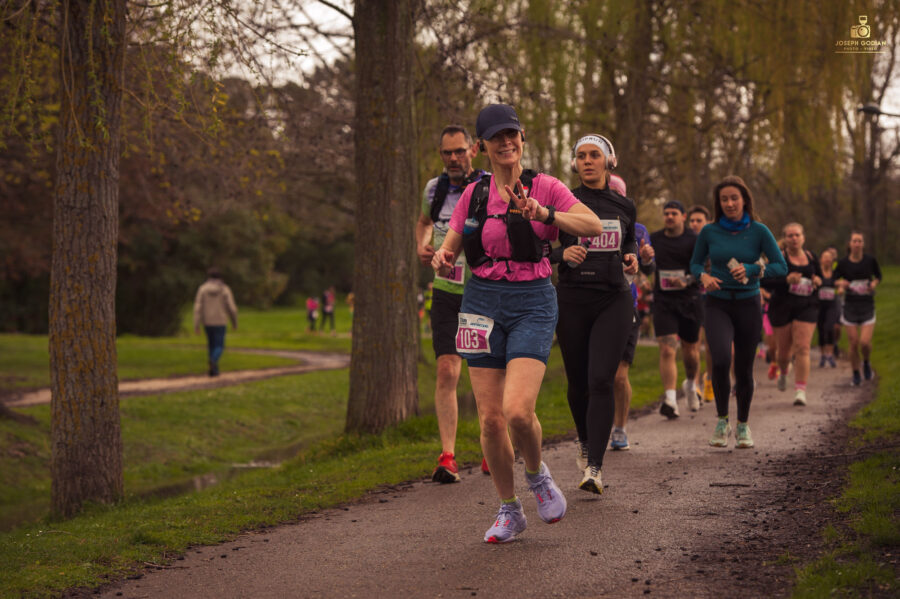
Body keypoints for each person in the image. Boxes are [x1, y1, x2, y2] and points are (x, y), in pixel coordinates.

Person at [432, 104, 603, 543]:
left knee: (517, 412)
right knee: (490, 421)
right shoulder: (473, 193)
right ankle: (509, 509)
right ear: (482, 146)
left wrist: (545, 215)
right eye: (496, 137)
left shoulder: (545, 186)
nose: (506, 143)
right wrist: (443, 255)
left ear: (522, 139)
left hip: (532, 301)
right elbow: (452, 244)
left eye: (512, 134)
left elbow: (591, 224)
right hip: (480, 303)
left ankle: (538, 475)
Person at [550, 133, 641, 489]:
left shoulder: (625, 205)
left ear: (609, 161)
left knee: (601, 379)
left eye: (594, 155)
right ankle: (586, 441)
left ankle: (595, 468)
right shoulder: (564, 201)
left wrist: (631, 254)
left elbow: (629, 239)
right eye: (581, 156)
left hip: (613, 299)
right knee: (578, 382)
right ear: (575, 163)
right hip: (573, 298)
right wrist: (561, 254)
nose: (587, 161)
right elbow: (537, 248)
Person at [690, 176, 786, 449]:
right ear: (718, 203)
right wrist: (703, 277)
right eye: (724, 199)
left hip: (748, 304)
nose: (730, 203)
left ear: (744, 200)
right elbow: (695, 264)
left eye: (734, 198)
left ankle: (743, 424)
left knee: (744, 368)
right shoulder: (709, 231)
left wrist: (754, 269)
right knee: (720, 360)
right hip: (717, 303)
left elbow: (781, 266)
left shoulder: (759, 231)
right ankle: (722, 421)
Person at [415, 124, 488, 483]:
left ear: (473, 150)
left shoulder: (489, 185)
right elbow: (424, 222)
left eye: (460, 151)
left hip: (484, 290)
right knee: (447, 370)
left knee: (486, 372)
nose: (454, 158)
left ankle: (493, 446)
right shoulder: (434, 188)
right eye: (447, 153)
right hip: (445, 290)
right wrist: (422, 244)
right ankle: (447, 456)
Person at [606, 175, 655, 452]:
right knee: (595, 375)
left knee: (619, 376)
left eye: (617, 193)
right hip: (595, 305)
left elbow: (649, 268)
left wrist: (646, 258)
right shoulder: (585, 221)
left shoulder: (638, 229)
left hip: (627, 305)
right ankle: (591, 429)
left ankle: (620, 428)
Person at [651, 200, 703, 416]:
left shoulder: (695, 239)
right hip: (664, 302)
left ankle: (690, 384)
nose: (669, 217)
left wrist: (687, 280)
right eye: (666, 213)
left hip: (690, 301)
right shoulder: (655, 239)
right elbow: (647, 266)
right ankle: (670, 400)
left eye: (674, 213)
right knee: (667, 349)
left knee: (691, 352)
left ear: (683, 216)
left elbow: (706, 268)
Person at [761, 223, 822, 406]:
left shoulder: (811, 257)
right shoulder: (777, 258)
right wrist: (786, 280)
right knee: (783, 354)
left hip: (807, 306)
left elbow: (822, 278)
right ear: (785, 239)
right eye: (790, 235)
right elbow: (764, 281)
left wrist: (818, 280)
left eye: (797, 235)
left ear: (803, 237)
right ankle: (784, 370)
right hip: (782, 307)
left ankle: (800, 390)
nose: (794, 238)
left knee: (803, 347)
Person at [833, 231, 882, 386]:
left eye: (860, 241)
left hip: (867, 305)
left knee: (865, 343)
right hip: (850, 307)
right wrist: (841, 284)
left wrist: (873, 284)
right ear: (850, 243)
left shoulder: (870, 260)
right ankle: (855, 373)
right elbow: (833, 279)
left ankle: (866, 362)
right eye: (854, 241)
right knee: (853, 343)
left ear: (863, 244)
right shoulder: (843, 263)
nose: (857, 244)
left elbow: (878, 276)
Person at [688, 205, 715, 403]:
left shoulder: (714, 241)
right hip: (691, 297)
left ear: (707, 223)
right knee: (694, 344)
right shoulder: (685, 242)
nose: (695, 224)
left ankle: (710, 381)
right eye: (692, 220)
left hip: (712, 298)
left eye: (699, 220)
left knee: (711, 344)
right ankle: (695, 384)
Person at [193, 267, 238, 377]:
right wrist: (234, 322)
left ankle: (214, 370)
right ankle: (213, 360)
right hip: (220, 321)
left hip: (207, 322)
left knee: (211, 345)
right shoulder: (225, 289)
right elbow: (232, 308)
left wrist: (196, 324)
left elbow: (198, 307)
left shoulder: (202, 289)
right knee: (219, 346)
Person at [816, 249, 840, 368]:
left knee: (830, 328)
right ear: (821, 260)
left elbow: (840, 285)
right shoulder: (817, 273)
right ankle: (822, 355)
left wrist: (840, 288)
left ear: (832, 260)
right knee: (821, 330)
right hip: (819, 305)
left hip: (831, 305)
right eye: (825, 257)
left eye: (829, 257)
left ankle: (830, 354)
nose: (827, 260)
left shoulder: (835, 273)